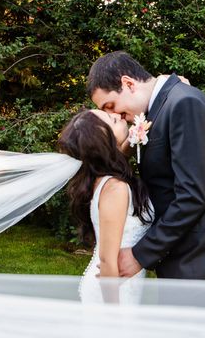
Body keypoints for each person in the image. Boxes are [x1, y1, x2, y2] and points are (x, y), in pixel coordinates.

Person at [87, 51, 205, 280]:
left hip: (194, 255)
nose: (113, 115)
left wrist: (141, 254)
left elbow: (192, 195)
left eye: (110, 105)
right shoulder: (161, 107)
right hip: (179, 250)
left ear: (128, 83)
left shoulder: (184, 104)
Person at [58, 109, 154, 303]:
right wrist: (112, 315)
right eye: (112, 119)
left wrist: (134, 135)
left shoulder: (105, 177)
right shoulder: (115, 189)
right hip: (111, 292)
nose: (118, 115)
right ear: (104, 141)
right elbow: (108, 261)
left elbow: (119, 155)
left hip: (125, 284)